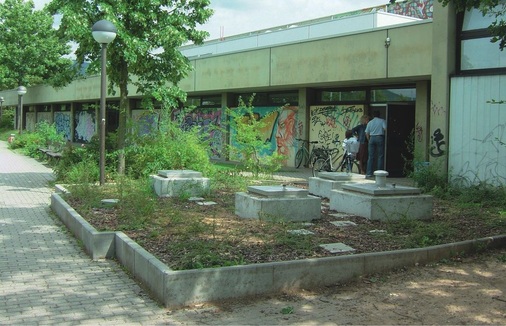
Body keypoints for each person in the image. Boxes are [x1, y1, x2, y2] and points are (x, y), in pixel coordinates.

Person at [365, 110, 386, 178]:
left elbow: (367, 133)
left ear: (373, 115)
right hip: (379, 137)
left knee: (371, 156)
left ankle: (369, 173)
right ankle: (379, 173)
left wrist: (369, 140)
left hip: (372, 138)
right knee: (380, 156)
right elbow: (385, 129)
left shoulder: (370, 122)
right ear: (379, 115)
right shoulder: (382, 121)